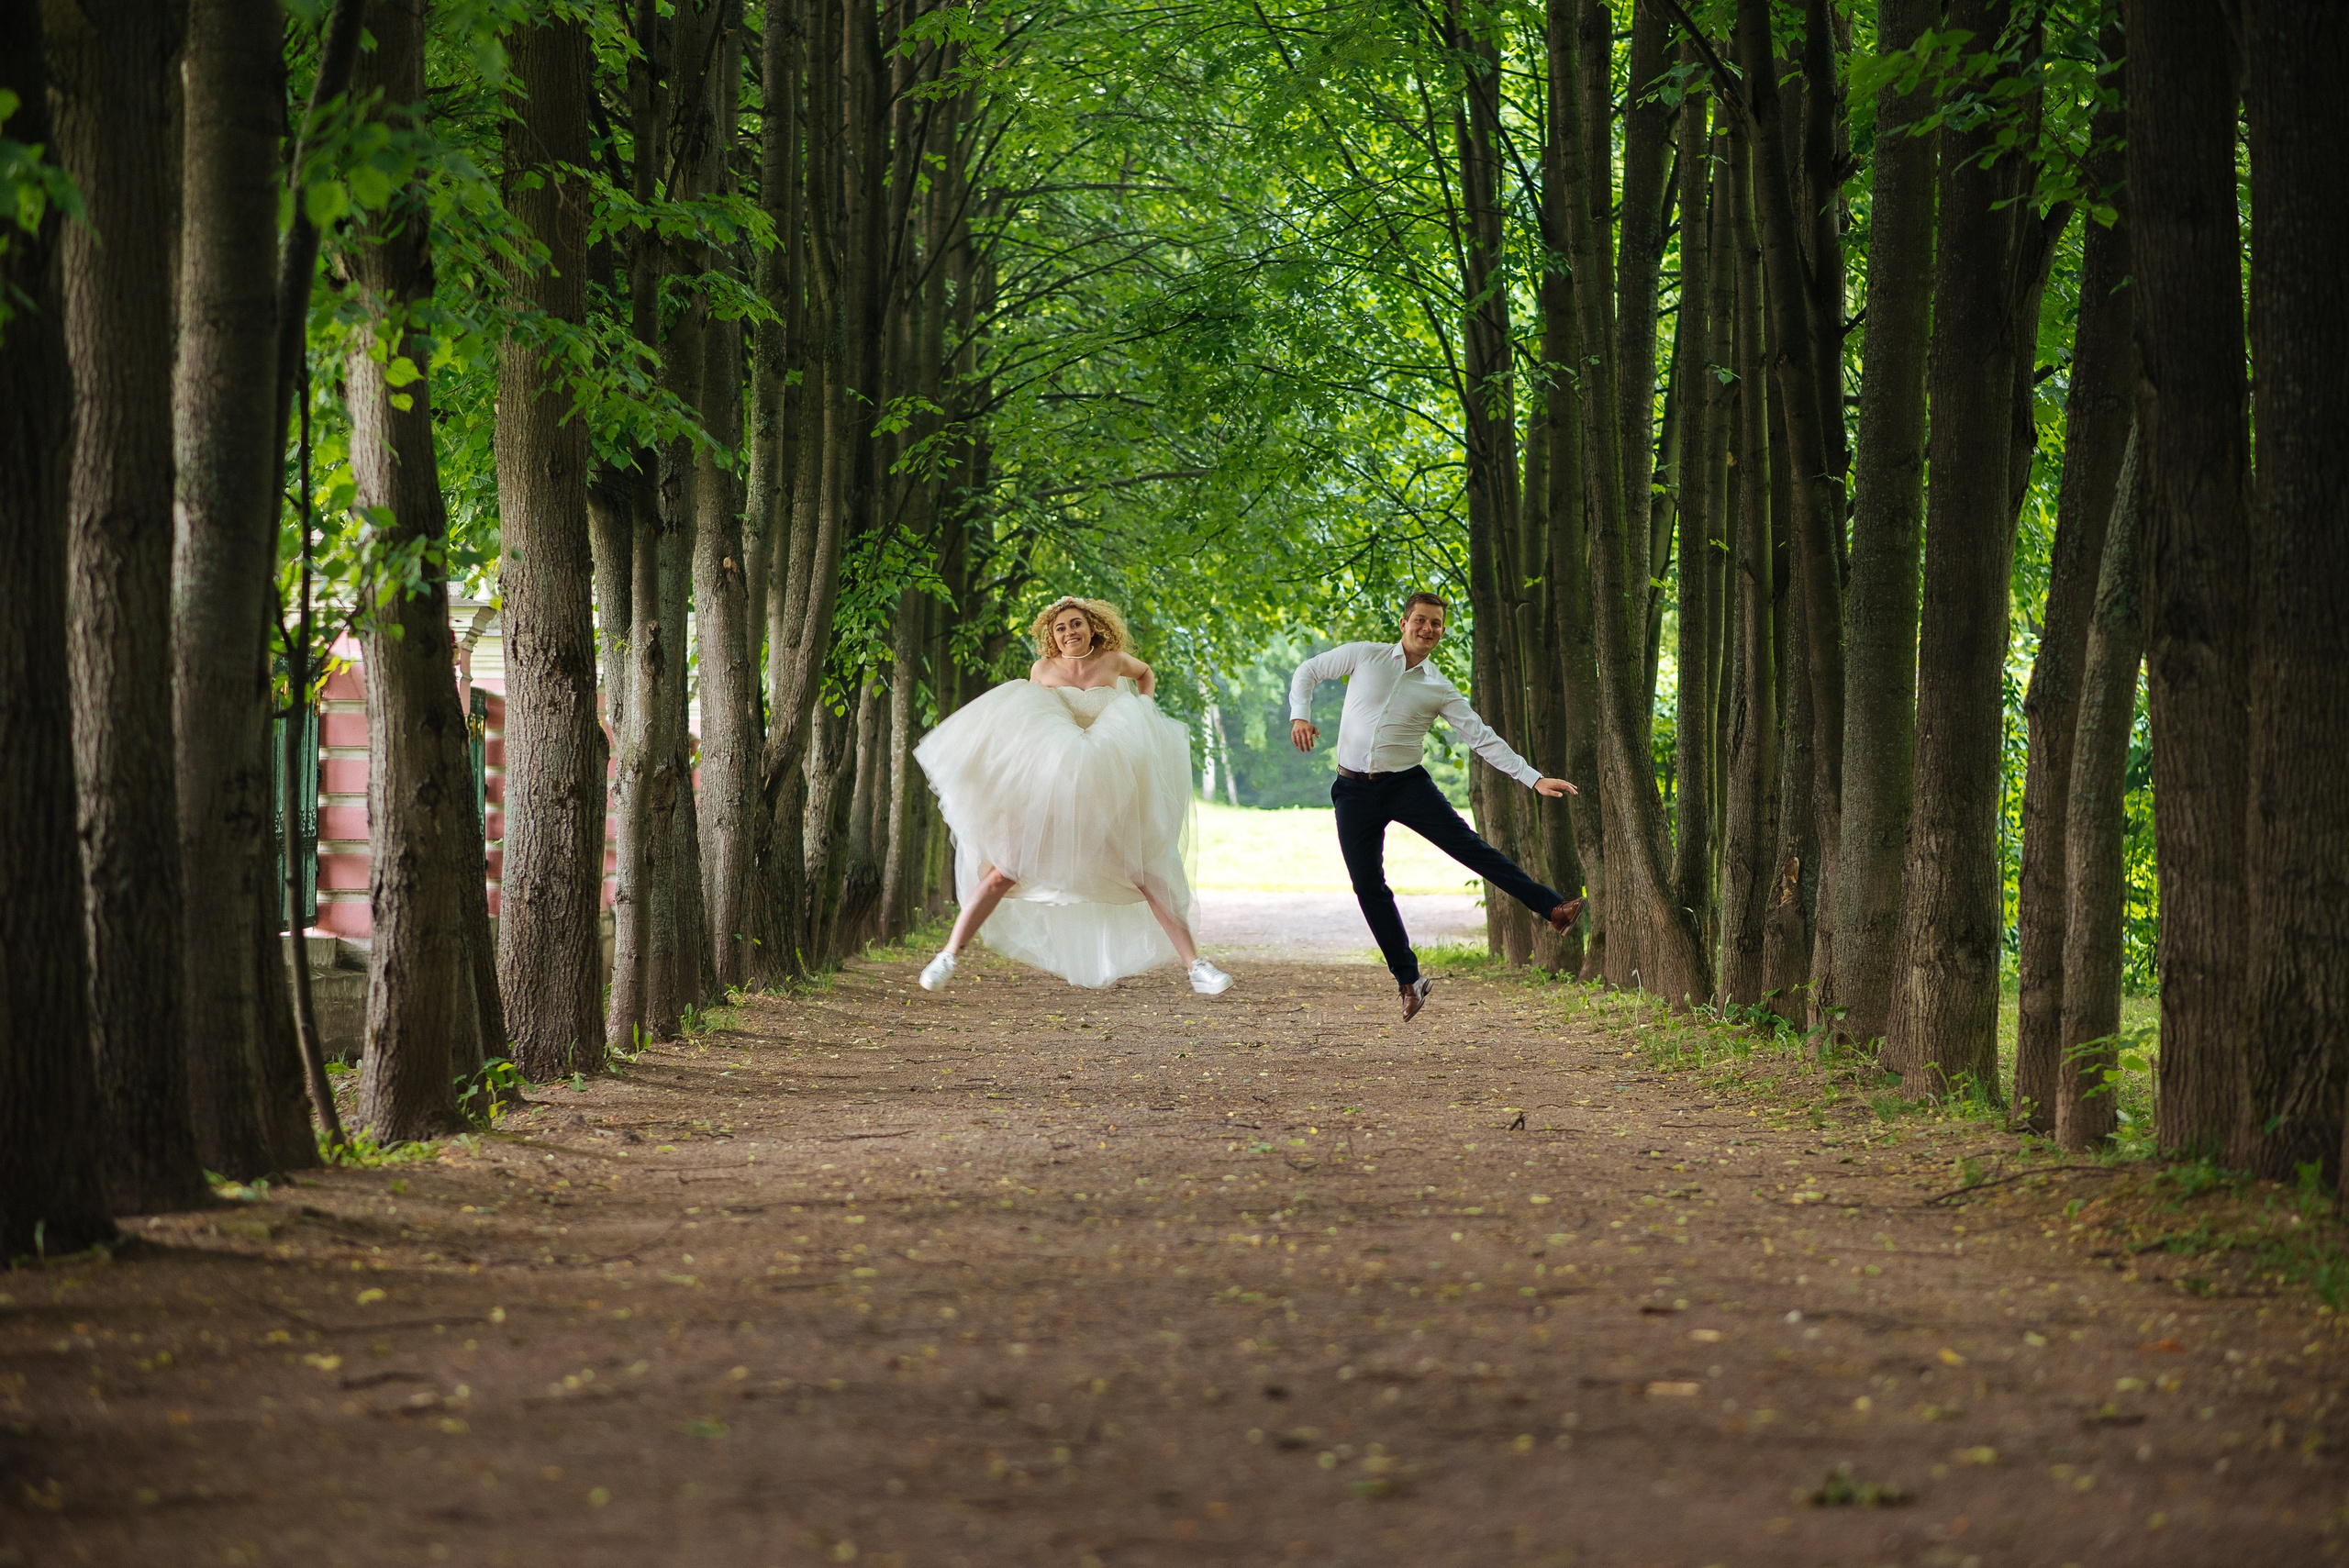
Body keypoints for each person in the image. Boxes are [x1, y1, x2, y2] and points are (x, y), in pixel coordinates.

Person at [913, 595, 1234, 997]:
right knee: (1002, 872)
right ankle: (948, 956)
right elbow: (1027, 722)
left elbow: (1146, 673)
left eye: (1076, 624)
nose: (1069, 633)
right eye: (1061, 628)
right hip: (1053, 790)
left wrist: (1144, 711)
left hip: (1110, 790)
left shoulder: (1114, 659)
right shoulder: (1043, 669)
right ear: (1052, 636)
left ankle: (1197, 966)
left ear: (1092, 626)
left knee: (1148, 875)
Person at [1288, 592, 1585, 1020]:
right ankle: (1409, 981)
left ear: (1442, 632)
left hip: (1407, 785)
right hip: (1352, 789)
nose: (1428, 629)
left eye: (1436, 625)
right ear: (1405, 622)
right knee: (1367, 885)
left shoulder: (1438, 688)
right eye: (1421, 621)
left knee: (1471, 848)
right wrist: (1301, 714)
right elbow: (1309, 670)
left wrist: (1533, 778)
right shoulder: (1364, 656)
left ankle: (1553, 908)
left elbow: (1481, 737)